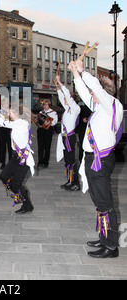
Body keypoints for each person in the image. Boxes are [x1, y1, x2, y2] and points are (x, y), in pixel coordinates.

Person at [68, 60, 123, 258]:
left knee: (104, 202)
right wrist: (75, 74)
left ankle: (111, 246)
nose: (91, 95)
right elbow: (84, 92)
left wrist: (83, 71)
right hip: (93, 159)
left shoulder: (111, 104)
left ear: (101, 92)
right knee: (99, 201)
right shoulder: (101, 107)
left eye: (94, 92)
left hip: (100, 160)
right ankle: (104, 236)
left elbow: (93, 88)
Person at [0, 102, 35, 214]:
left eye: (9, 111)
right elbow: (3, 118)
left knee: (16, 184)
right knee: (4, 176)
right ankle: (19, 193)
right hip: (15, 158)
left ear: (13, 113)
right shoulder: (17, 122)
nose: (8, 113)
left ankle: (27, 204)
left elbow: (2, 122)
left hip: (24, 159)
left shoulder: (21, 124)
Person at [55, 75, 81, 191]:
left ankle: (76, 183)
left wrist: (60, 82)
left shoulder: (75, 108)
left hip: (70, 138)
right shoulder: (68, 110)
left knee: (71, 160)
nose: (64, 100)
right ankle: (70, 180)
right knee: (67, 160)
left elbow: (66, 95)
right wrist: (57, 87)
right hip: (65, 137)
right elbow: (62, 97)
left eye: (67, 98)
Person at [35, 99, 58, 168]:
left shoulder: (53, 113)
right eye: (44, 105)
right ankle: (40, 161)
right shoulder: (41, 112)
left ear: (49, 105)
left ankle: (46, 162)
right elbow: (38, 121)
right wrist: (36, 121)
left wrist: (49, 123)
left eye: (47, 105)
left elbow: (55, 122)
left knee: (47, 146)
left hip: (48, 130)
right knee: (40, 146)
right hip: (40, 129)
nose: (45, 106)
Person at [0, 97, 12, 169]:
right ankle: (2, 163)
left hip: (9, 129)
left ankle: (10, 162)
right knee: (2, 147)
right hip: (2, 129)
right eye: (4, 103)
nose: (5, 104)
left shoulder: (11, 111)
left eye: (7, 103)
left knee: (10, 147)